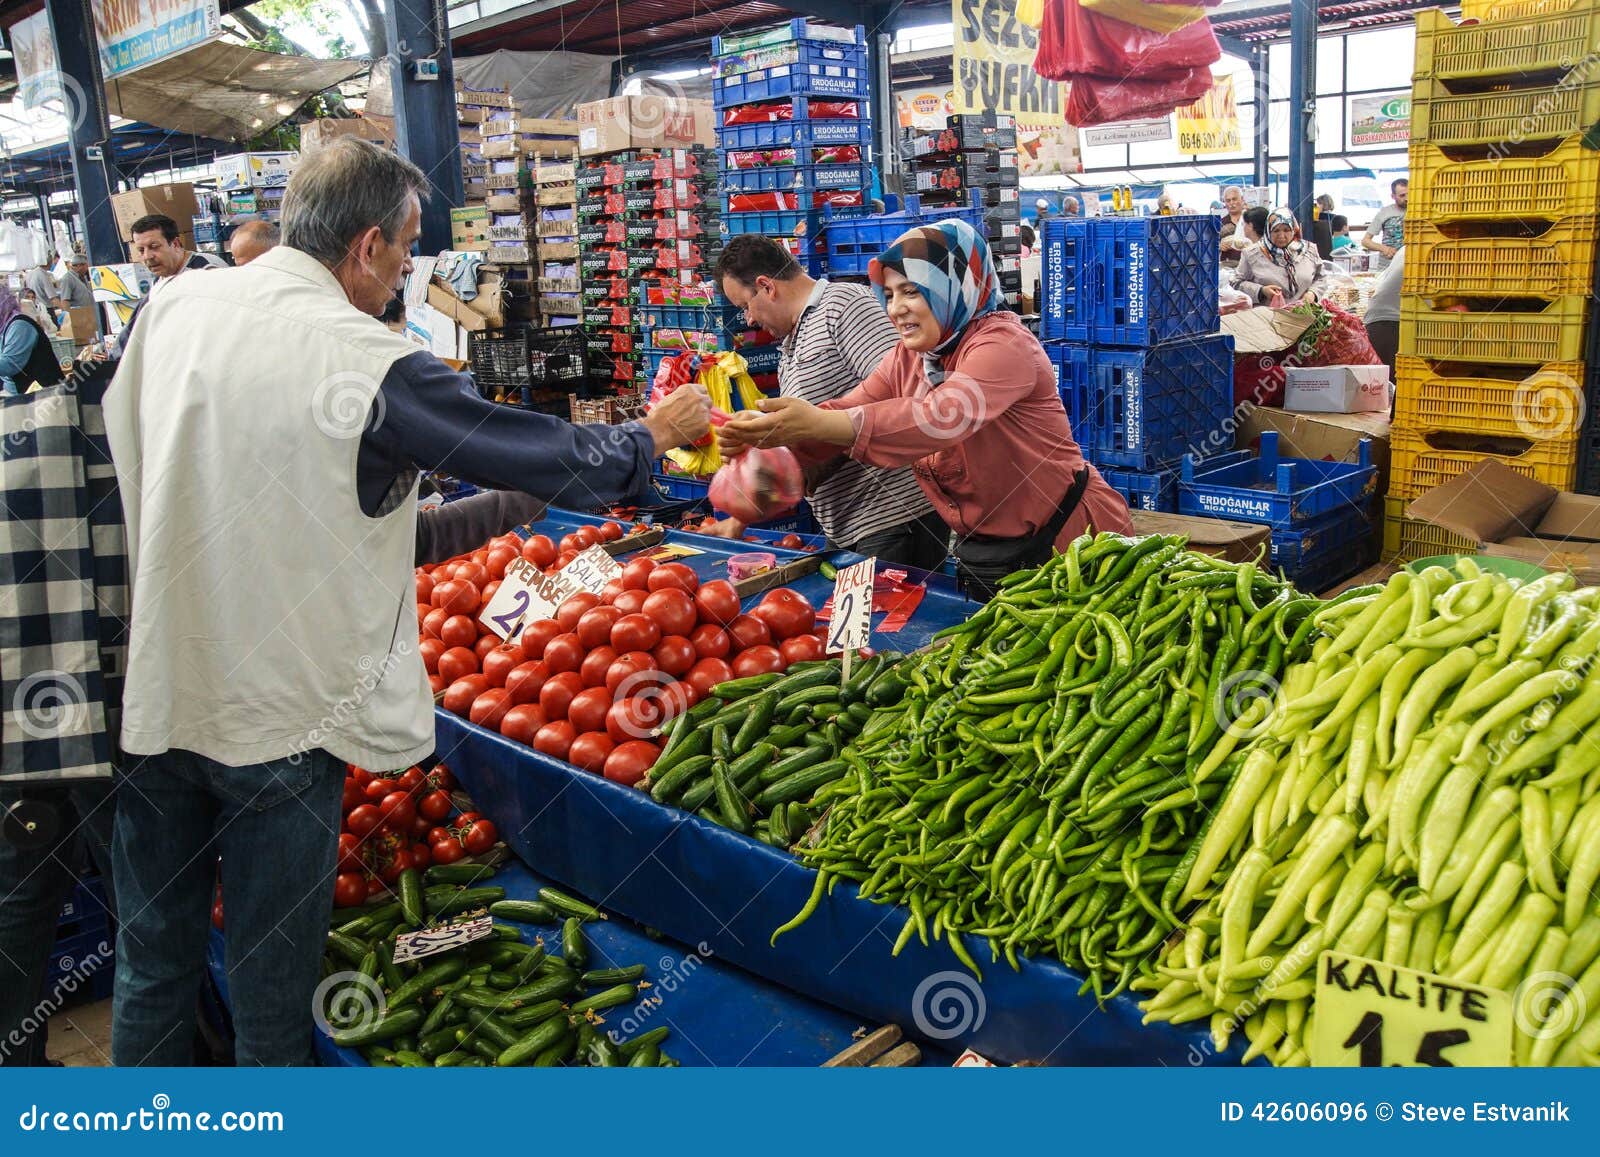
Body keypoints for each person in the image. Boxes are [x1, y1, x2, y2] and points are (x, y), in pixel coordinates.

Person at [101, 137, 712, 1067]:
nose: (403, 282)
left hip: (156, 691)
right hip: (280, 715)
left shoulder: (178, 303)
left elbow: (361, 520)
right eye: (407, 253)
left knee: (152, 961)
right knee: (272, 989)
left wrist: (519, 498)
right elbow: (534, 447)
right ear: (370, 245)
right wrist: (647, 438)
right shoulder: (362, 355)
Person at [718, 219, 1132, 601]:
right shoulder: (913, 357)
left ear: (953, 286)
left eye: (912, 291)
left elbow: (941, 417)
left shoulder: (1003, 344)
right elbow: (853, 405)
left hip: (1071, 545)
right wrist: (771, 446)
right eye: (891, 294)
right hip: (990, 552)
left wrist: (820, 422)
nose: (895, 308)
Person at [711, 235, 947, 570]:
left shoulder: (844, 307)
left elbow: (904, 394)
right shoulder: (790, 343)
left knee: (885, 622)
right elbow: (814, 428)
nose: (748, 319)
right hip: (845, 523)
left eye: (744, 306)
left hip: (893, 518)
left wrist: (815, 448)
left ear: (767, 286)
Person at [1232, 207, 1327, 307]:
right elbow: (1236, 282)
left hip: (1303, 317)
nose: (1281, 235)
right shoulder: (1252, 254)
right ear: (1268, 230)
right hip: (1267, 317)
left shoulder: (1309, 250)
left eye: (1286, 230)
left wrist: (1313, 293)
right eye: (1276, 230)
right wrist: (1261, 291)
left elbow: (1321, 277)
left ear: (1294, 229)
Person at [0, 284, 65, 394]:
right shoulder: (5, 326)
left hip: (41, 396)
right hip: (19, 392)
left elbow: (10, 364)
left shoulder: (20, 325)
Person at [128, 214, 227, 282]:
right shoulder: (160, 280)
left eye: (154, 247)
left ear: (175, 244)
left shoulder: (206, 270)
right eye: (141, 250)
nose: (147, 256)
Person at [1363, 246, 1403, 387]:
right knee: (1394, 390)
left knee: (1382, 392)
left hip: (1376, 319)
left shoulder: (1405, 249)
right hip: (1394, 322)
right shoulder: (1437, 250)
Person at [1362, 178, 1407, 270]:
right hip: (1387, 267)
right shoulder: (1385, 212)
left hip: (1409, 266)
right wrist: (1384, 248)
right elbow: (1365, 241)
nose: (1407, 198)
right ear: (1393, 196)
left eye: (1409, 194)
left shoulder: (1418, 212)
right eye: (1402, 195)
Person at [1218, 187, 1249, 265]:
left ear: (1242, 199)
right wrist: (1219, 246)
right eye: (1228, 200)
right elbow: (1211, 246)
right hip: (1228, 266)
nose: (1231, 203)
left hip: (1250, 263)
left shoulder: (1250, 220)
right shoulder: (1220, 223)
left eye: (1234, 199)